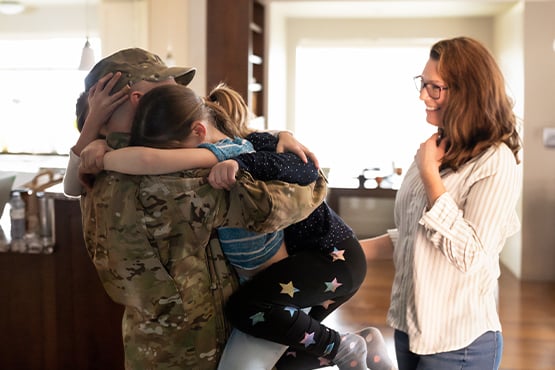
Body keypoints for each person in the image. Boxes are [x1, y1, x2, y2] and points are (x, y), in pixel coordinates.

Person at [96, 82, 395, 370]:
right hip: (315, 263)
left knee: (245, 308)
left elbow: (305, 168)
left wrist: (244, 165)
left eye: (176, 153)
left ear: (199, 131)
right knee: (285, 349)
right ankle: (360, 344)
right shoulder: (236, 142)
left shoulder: (246, 146)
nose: (178, 162)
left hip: (331, 257)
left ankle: (342, 346)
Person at [65, 48, 327, 370]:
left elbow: (74, 182)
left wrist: (92, 133)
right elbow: (282, 202)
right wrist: (299, 167)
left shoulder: (91, 170)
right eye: (169, 83)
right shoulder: (175, 176)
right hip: (204, 345)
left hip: (145, 341)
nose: (180, 90)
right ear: (136, 97)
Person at [360, 36, 522, 370]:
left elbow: (470, 256)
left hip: (459, 343)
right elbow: (416, 235)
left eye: (434, 87)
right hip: (410, 328)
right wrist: (350, 250)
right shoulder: (436, 148)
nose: (422, 95)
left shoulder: (495, 161)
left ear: (466, 92)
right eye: (422, 84)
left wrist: (431, 176)